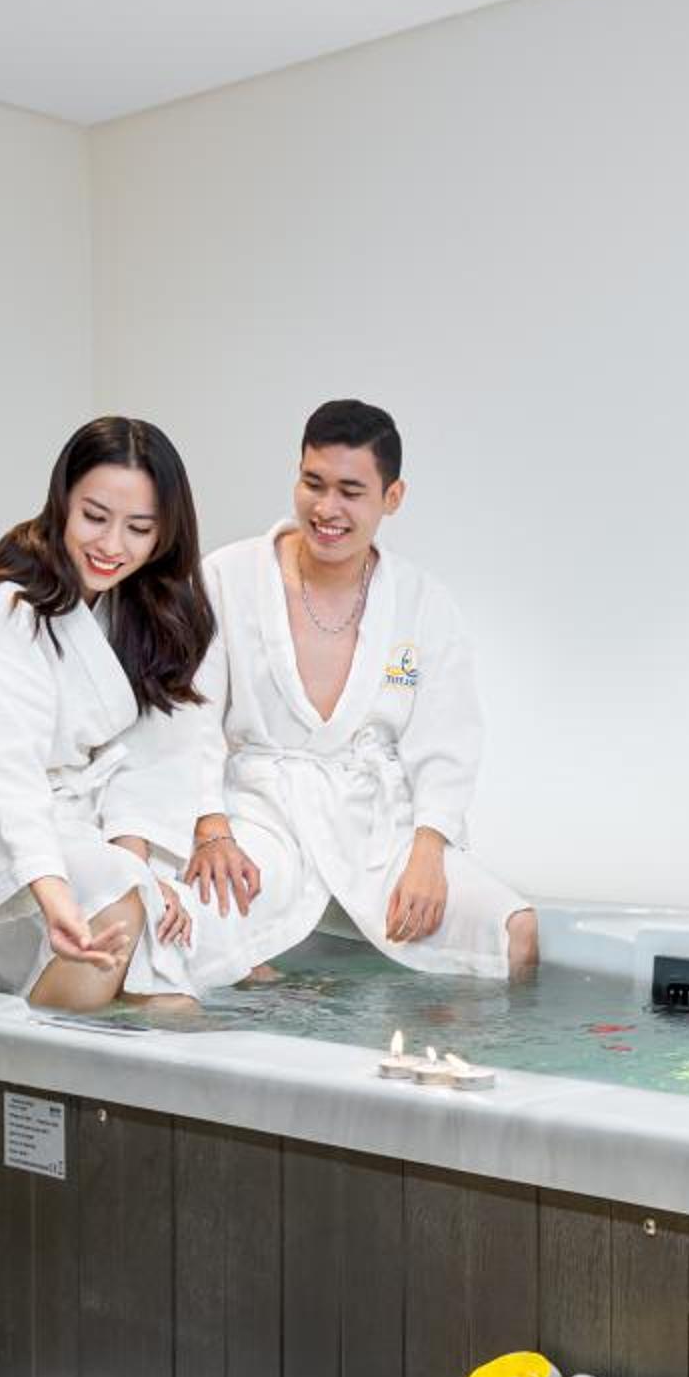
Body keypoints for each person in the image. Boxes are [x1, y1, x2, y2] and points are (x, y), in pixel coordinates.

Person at [173, 399, 538, 981]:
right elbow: (191, 716)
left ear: (392, 497)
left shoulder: (422, 602)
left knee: (512, 931)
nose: (326, 509)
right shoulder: (226, 577)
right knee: (185, 933)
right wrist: (210, 829)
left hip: (376, 831)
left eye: (350, 491)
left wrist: (429, 850)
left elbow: (448, 741)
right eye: (313, 483)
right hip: (258, 820)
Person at [0, 416, 214, 1012]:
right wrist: (53, 894)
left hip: (84, 841)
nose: (112, 546)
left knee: (169, 993)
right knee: (119, 905)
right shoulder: (7, 608)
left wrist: (142, 873)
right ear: (62, 501)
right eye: (94, 517)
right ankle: (26, 1061)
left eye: (139, 528)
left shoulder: (143, 612)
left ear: (165, 532)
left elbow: (151, 767)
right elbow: (6, 772)